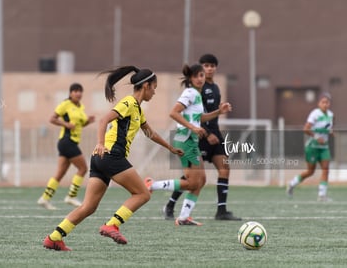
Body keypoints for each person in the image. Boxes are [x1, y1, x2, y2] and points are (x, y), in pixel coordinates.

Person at [43, 66, 184, 251]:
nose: (155, 92)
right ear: (146, 85)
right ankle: (112, 225)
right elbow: (103, 120)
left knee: (88, 207)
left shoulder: (138, 110)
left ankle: (54, 238)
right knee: (142, 194)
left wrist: (170, 147)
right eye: (154, 87)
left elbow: (150, 133)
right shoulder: (128, 103)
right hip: (110, 155)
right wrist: (100, 143)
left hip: (100, 158)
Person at [145, 64, 232, 226]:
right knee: (192, 182)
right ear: (190, 79)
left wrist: (219, 112)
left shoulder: (197, 95)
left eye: (202, 76)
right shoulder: (190, 93)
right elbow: (173, 112)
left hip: (191, 140)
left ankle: (184, 217)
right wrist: (192, 127)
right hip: (186, 140)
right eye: (197, 76)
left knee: (201, 180)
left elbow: (200, 118)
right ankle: (152, 185)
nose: (200, 78)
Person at [162, 54, 241, 221]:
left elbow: (205, 113)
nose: (209, 68)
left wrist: (220, 113)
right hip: (201, 135)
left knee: (225, 168)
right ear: (198, 71)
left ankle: (221, 211)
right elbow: (195, 116)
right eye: (206, 65)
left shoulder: (216, 87)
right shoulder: (196, 90)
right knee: (193, 177)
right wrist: (206, 132)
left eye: (212, 65)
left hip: (215, 134)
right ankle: (170, 204)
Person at [37, 83, 95, 210]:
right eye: (75, 91)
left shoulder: (80, 107)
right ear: (70, 93)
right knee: (83, 168)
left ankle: (45, 198)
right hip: (67, 141)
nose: (78, 93)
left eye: (80, 91)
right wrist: (66, 124)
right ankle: (71, 196)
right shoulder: (65, 104)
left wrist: (87, 121)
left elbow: (79, 125)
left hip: (71, 142)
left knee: (60, 172)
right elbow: (52, 119)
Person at [286, 92, 334, 201]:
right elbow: (306, 129)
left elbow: (328, 128)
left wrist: (330, 132)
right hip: (312, 147)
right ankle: (292, 184)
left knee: (326, 169)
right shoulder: (315, 114)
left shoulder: (330, 114)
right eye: (323, 102)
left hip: (324, 147)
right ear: (319, 103)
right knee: (310, 171)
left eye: (327, 102)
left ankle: (322, 195)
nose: (325, 104)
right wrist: (317, 137)